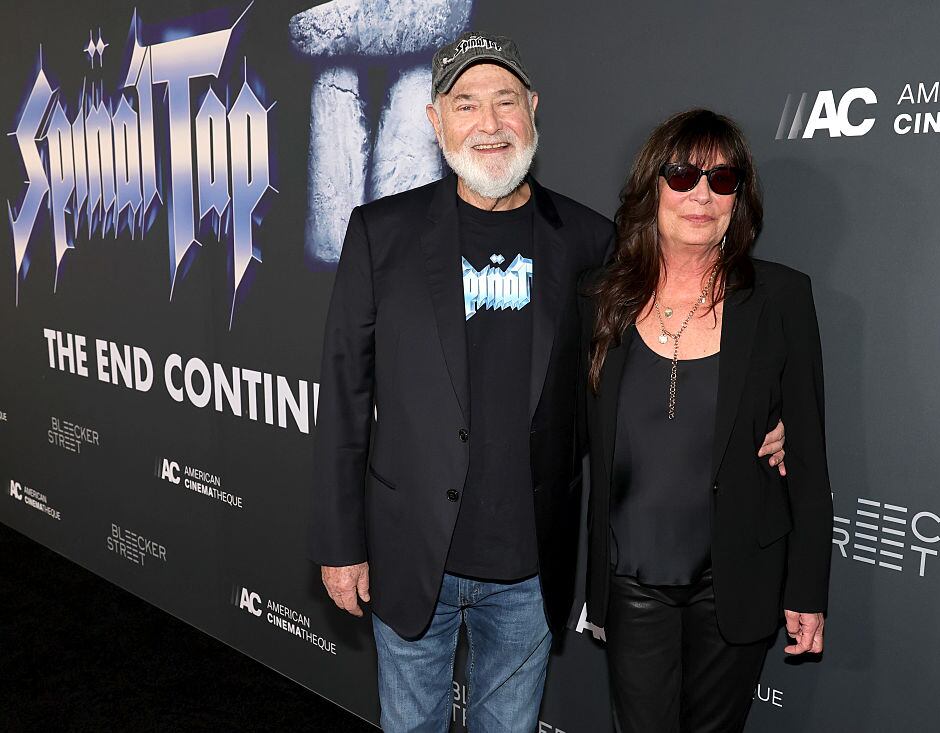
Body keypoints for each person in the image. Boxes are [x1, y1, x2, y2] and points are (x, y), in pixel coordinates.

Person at [310, 31, 787, 730]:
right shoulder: (382, 234)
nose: (490, 123)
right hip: (409, 550)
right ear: (436, 120)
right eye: (465, 104)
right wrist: (339, 543)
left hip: (531, 565)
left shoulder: (590, 242)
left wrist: (759, 422)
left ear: (532, 109)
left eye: (505, 100)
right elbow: (343, 399)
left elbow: (647, 374)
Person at [579, 109, 833, 733]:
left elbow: (808, 458)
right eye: (682, 175)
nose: (701, 195)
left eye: (721, 179)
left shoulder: (781, 298)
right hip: (632, 579)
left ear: (738, 198)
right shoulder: (600, 298)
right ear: (653, 187)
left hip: (735, 579)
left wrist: (807, 591)